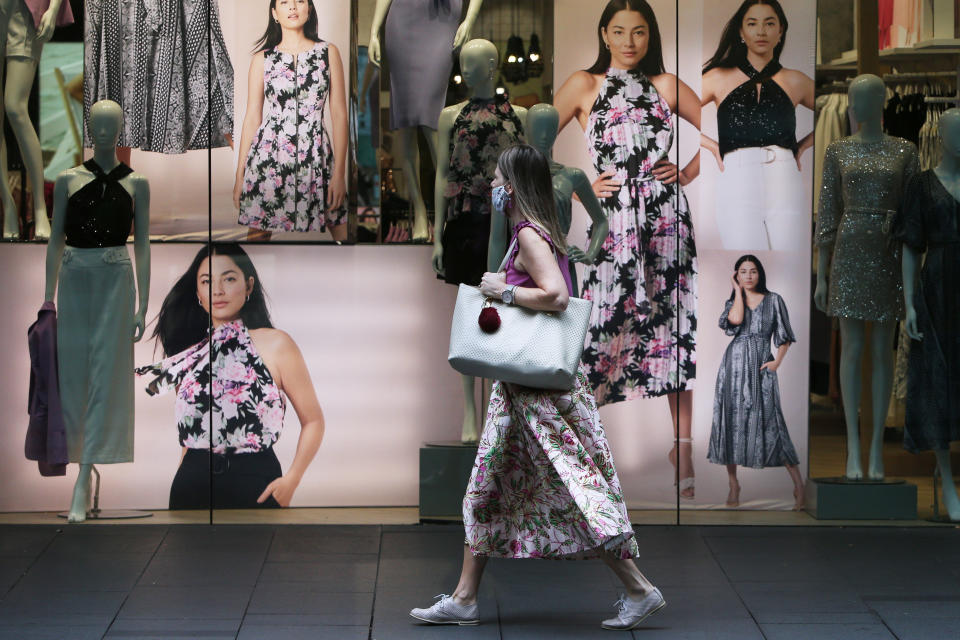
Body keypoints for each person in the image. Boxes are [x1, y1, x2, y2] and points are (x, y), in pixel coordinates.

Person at [409, 145, 665, 631]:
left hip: (537, 393)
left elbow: (556, 295)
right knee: (491, 488)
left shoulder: (528, 235)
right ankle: (465, 597)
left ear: (516, 184)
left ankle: (639, 587)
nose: (492, 185)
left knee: (569, 487)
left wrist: (500, 289)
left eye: (499, 177)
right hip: (530, 386)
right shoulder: (536, 233)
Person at [553, 0, 702, 499]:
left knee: (672, 328)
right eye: (619, 31)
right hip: (611, 222)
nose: (630, 41)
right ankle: (583, 450)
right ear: (604, 33)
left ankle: (682, 446)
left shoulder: (665, 84)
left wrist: (686, 171)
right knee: (601, 330)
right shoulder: (584, 84)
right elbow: (533, 148)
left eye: (639, 32)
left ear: (649, 34)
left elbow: (723, 125)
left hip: (665, 218)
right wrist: (579, 186)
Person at [137, 243, 325, 510]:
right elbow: (191, 436)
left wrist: (292, 480)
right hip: (192, 483)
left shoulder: (277, 344)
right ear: (198, 293)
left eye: (229, 278)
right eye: (207, 281)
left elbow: (314, 421)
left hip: (256, 479)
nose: (218, 290)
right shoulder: (190, 354)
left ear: (248, 286)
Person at [701, 0, 814, 251]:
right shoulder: (718, 78)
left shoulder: (795, 80)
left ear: (781, 30)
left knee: (788, 260)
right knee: (745, 261)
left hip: (785, 176)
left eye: (769, 23)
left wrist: (803, 147)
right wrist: (710, 146)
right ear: (741, 31)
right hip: (737, 177)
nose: (761, 31)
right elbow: (666, 109)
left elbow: (834, 110)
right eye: (752, 24)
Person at [233, 0, 347, 242]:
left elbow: (339, 114)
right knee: (257, 239)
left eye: (300, 1)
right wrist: (239, 175)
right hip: (267, 159)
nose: (293, 7)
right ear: (275, 13)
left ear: (309, 9)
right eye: (285, 2)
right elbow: (253, 117)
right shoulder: (262, 59)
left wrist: (339, 174)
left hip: (316, 157)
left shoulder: (328, 52)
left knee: (343, 236)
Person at [707, 255, 804, 509]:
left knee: (773, 422)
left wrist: (777, 362)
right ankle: (733, 484)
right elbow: (736, 320)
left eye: (752, 271)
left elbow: (785, 337)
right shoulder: (733, 301)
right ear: (736, 276)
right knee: (732, 420)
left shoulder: (774, 301)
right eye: (742, 272)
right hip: (734, 367)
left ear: (760, 274)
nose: (748, 276)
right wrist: (737, 292)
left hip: (761, 365)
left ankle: (799, 487)